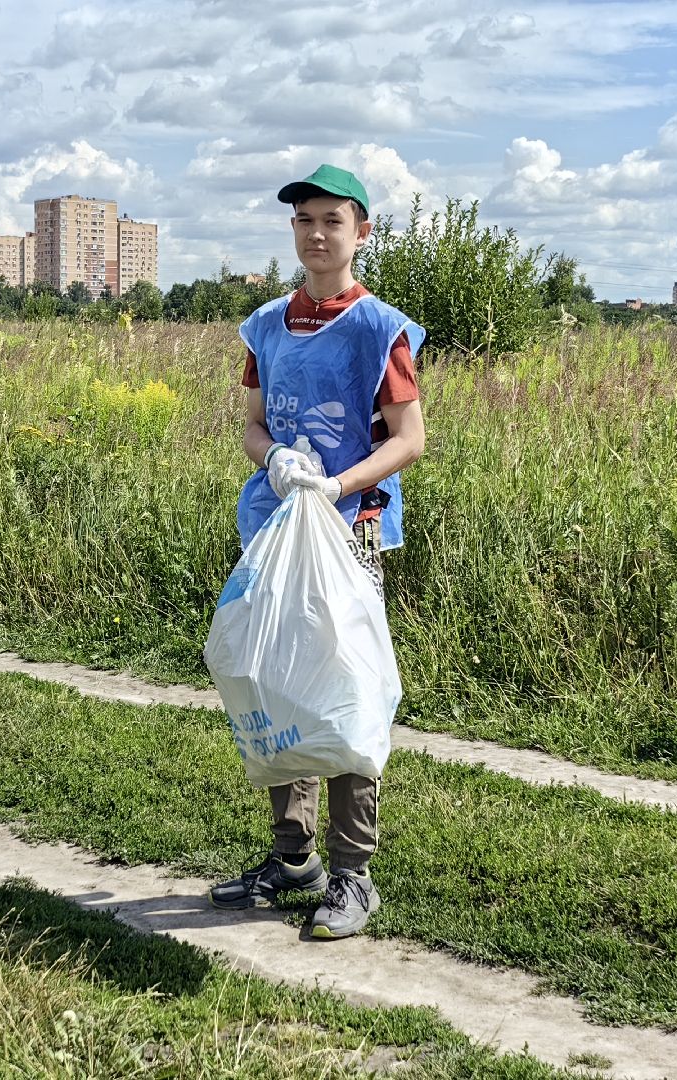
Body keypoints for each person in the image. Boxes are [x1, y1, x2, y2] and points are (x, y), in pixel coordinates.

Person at [207, 164, 426, 939]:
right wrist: (271, 459)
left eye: (332, 221)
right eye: (304, 222)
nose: (317, 235)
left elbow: (408, 439)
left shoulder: (379, 329)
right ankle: (293, 853)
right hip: (273, 529)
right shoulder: (267, 324)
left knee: (347, 686)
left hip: (349, 531)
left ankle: (353, 873)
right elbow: (253, 422)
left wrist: (337, 486)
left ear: (361, 232)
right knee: (276, 679)